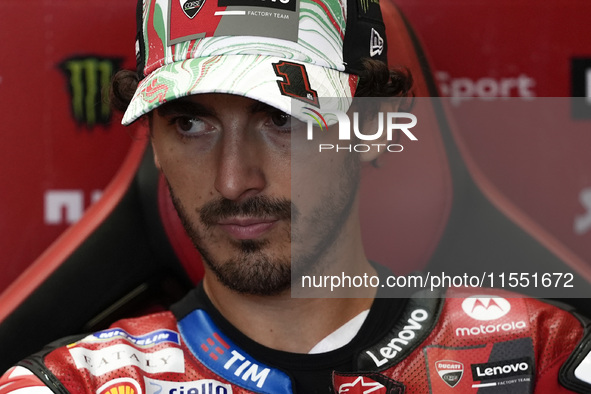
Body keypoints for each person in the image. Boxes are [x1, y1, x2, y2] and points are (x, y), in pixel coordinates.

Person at [2, 0, 591, 392]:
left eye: (284, 120)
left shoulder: (541, 357)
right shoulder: (77, 384)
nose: (233, 181)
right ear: (153, 141)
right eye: (190, 124)